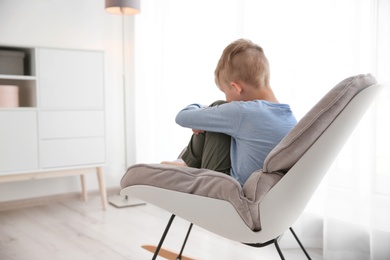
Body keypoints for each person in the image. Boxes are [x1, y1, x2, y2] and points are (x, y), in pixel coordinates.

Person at [162, 39, 297, 186]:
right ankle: (188, 165)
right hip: (263, 189)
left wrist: (207, 109)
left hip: (226, 186)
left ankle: (189, 166)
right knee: (218, 115)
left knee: (218, 106)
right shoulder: (290, 118)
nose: (227, 98)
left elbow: (182, 117)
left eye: (225, 91)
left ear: (236, 87)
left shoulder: (242, 112)